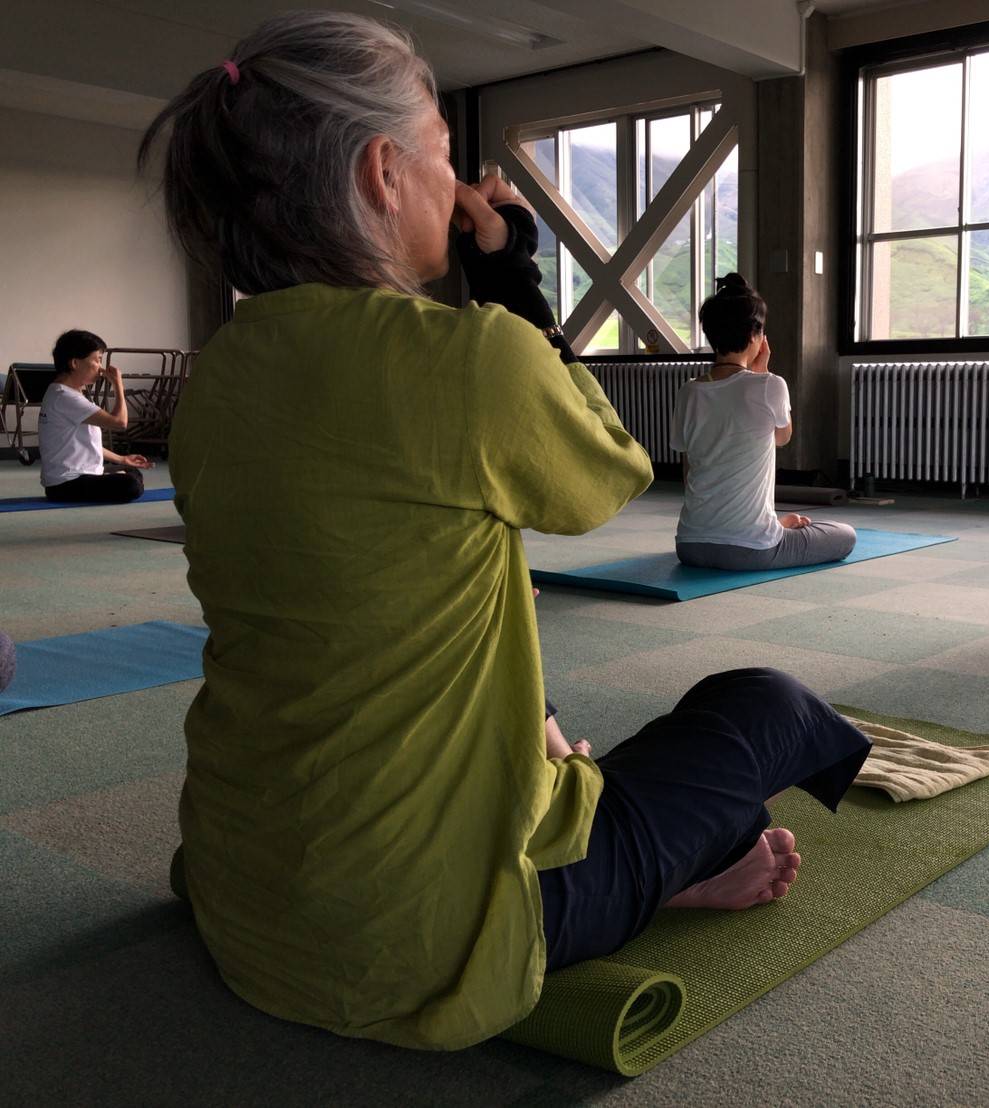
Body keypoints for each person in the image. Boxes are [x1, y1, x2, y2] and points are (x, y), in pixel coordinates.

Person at [141, 11, 869, 1052]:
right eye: (443, 154)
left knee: (495, 633)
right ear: (383, 172)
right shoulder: (468, 356)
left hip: (248, 898)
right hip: (427, 936)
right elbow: (607, 475)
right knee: (770, 705)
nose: (462, 185)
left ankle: (636, 844)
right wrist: (510, 274)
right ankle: (668, 867)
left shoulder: (215, 379)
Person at [672, 274, 857, 570]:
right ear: (755, 336)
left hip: (690, 545)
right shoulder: (770, 385)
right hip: (751, 550)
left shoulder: (689, 392)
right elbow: (782, 437)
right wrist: (762, 374)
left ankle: (773, 524)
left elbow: (689, 473)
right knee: (845, 534)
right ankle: (770, 529)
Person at [38, 330, 153, 503]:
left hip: (69, 480)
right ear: (75, 363)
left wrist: (122, 459)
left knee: (132, 472)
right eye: (97, 360)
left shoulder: (62, 392)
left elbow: (86, 444)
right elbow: (120, 423)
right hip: (66, 484)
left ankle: (111, 475)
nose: (100, 367)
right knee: (131, 485)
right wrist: (118, 384)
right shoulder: (65, 396)